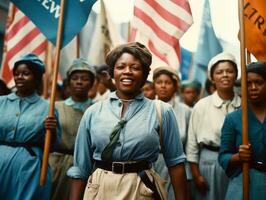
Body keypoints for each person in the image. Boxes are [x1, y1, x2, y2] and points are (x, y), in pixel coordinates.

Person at [67, 42, 188, 200]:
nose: (127, 72)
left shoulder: (162, 111)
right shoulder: (93, 112)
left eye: (135, 67)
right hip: (100, 190)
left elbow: (176, 163)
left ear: (144, 74)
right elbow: (80, 168)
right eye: (121, 67)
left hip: (142, 190)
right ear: (112, 72)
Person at [0, 53, 61, 200]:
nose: (20, 77)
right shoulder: (1, 102)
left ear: (37, 78)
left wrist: (51, 131)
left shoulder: (48, 108)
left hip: (29, 168)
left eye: (26, 74)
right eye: (17, 74)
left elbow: (53, 145)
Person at [186, 52, 241, 200]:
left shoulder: (244, 106)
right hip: (210, 164)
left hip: (238, 164)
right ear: (212, 78)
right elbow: (192, 146)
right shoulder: (202, 106)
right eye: (219, 72)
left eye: (229, 71)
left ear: (236, 75)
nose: (225, 75)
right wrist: (196, 176)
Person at [49, 58, 96, 200]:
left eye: (84, 79)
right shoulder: (55, 107)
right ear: (69, 82)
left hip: (88, 166)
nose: (79, 82)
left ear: (92, 83)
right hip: (59, 164)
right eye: (75, 78)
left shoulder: (97, 109)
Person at [219, 61, 266, 199]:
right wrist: (238, 157)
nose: (253, 87)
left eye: (259, 82)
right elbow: (223, 156)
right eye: (248, 83)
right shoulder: (233, 118)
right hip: (244, 184)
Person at [153, 66, 192, 199]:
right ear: (154, 85)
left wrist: (189, 175)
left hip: (176, 167)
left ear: (175, 86)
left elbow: (189, 145)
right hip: (151, 165)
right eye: (159, 82)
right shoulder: (146, 108)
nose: (163, 86)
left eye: (168, 82)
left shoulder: (186, 111)